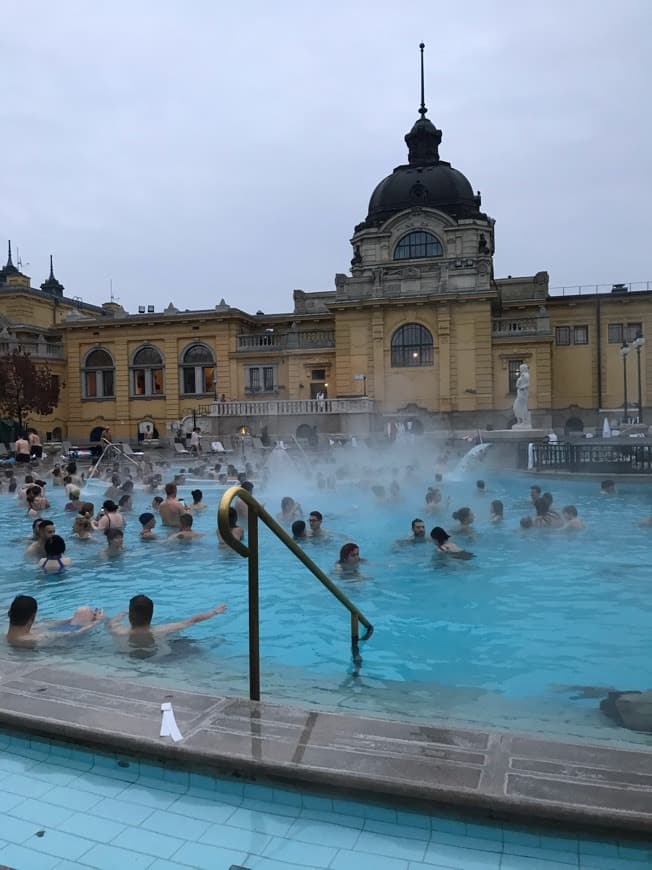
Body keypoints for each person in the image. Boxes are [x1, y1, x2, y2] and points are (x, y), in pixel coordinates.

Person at [107, 595, 227, 645]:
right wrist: (215, 611)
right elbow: (192, 620)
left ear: (130, 616)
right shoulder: (162, 630)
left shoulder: (118, 631)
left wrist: (122, 613)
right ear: (151, 615)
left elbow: (112, 622)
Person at [7, 596, 104, 647]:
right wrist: (96, 622)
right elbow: (74, 634)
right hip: (66, 642)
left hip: (56, 634)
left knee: (83, 612)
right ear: (32, 617)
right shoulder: (34, 639)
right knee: (84, 610)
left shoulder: (8, 634)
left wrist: (71, 619)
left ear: (9, 614)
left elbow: (50, 623)